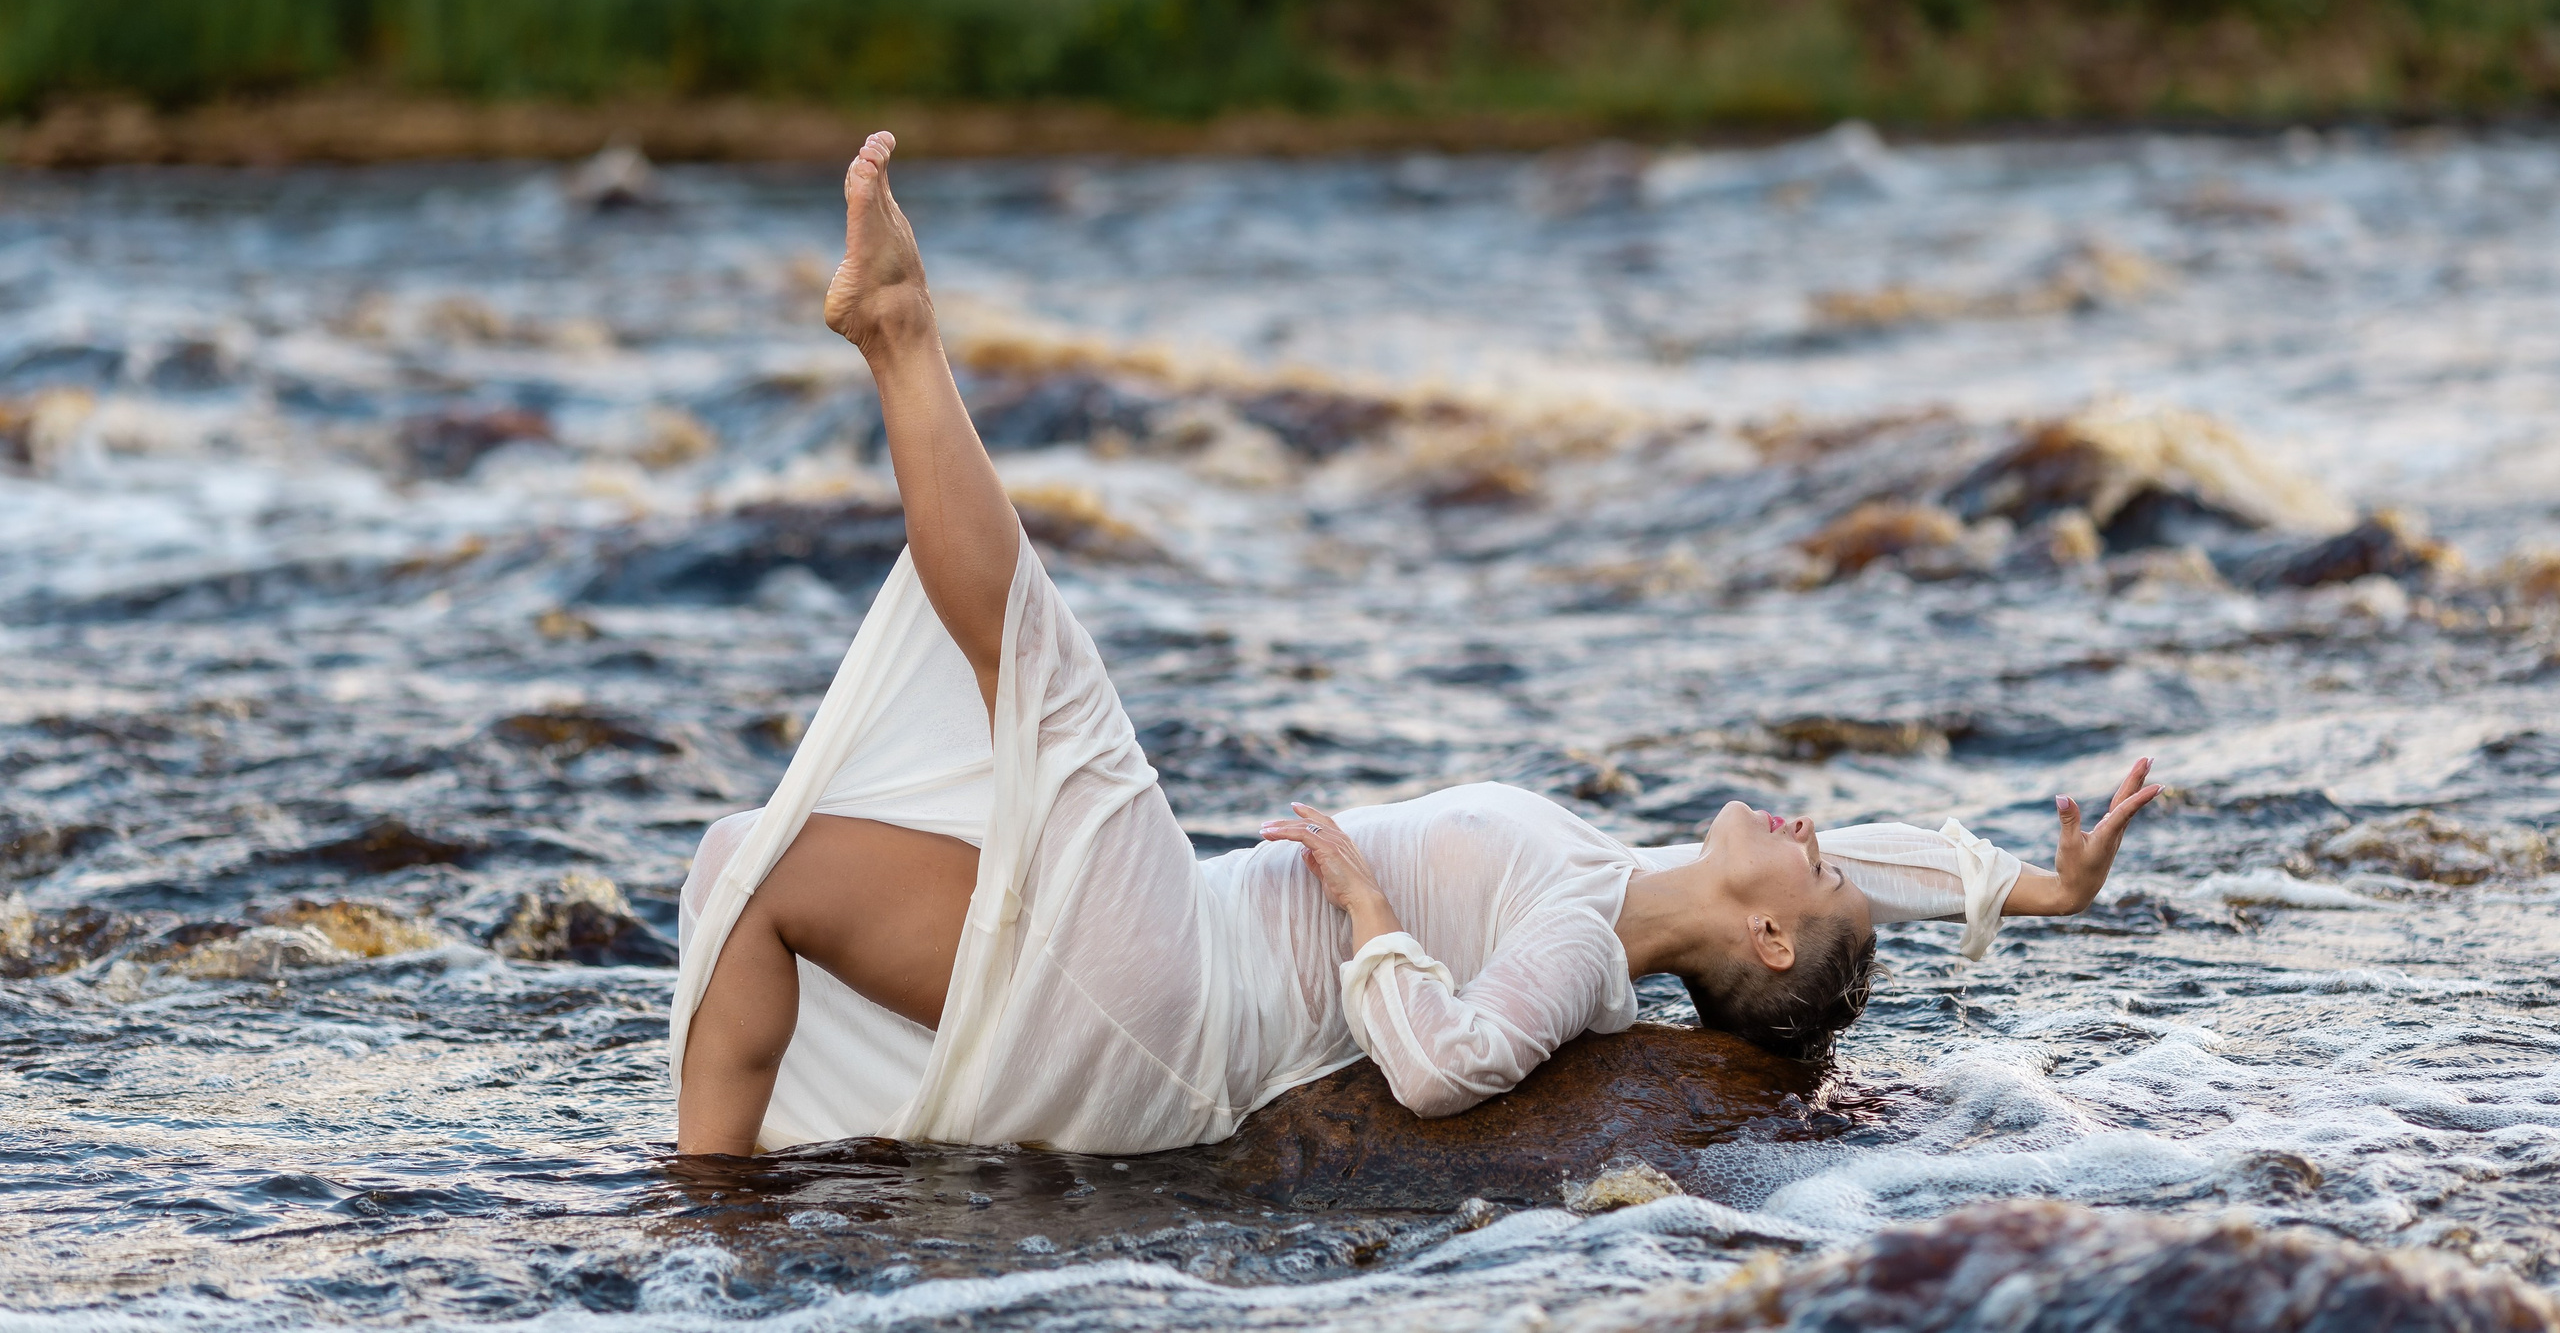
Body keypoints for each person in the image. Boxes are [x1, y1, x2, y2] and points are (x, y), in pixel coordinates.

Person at [669, 133, 2165, 1158]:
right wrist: (2043, 885)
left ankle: (901, 332)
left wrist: (1367, 901)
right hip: (1161, 962)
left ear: (1767, 937)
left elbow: (1443, 1073)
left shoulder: (1583, 942)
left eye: (1813, 863)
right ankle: (702, 1215)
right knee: (753, 868)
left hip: (1183, 985)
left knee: (1035, 667)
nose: (1814, 824)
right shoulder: (1619, 883)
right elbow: (1880, 869)